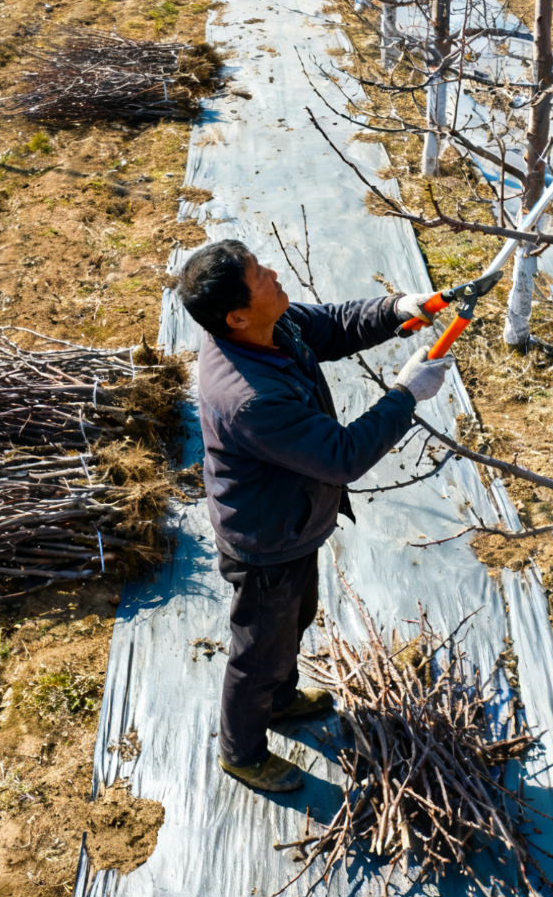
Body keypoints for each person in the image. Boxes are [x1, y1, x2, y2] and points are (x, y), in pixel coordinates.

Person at [175, 238, 453, 793]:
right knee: (258, 652)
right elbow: (340, 456)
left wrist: (396, 308)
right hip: (267, 538)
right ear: (236, 315)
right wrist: (405, 395)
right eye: (260, 276)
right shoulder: (250, 396)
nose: (274, 274)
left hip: (294, 524)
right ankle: (241, 752)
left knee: (294, 619)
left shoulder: (267, 328)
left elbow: (328, 325)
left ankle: (278, 700)